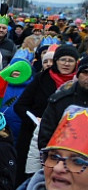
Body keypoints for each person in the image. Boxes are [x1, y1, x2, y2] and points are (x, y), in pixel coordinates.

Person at [14, 44, 78, 175]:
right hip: (34, 136)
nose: (66, 63)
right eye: (63, 59)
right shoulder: (41, 78)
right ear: (56, 61)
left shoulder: (79, 84)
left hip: (68, 140)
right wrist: (34, 119)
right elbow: (20, 106)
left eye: (70, 60)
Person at [37, 54, 88, 155]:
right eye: (86, 73)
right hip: (63, 161)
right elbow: (45, 136)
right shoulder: (60, 100)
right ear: (78, 74)